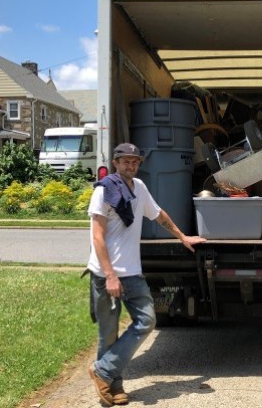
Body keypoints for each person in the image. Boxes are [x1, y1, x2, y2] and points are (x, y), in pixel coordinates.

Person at [86, 142, 206, 406]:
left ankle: (102, 370)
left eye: (135, 161)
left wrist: (182, 236)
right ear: (115, 163)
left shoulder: (139, 188)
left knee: (147, 320)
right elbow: (97, 236)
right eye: (125, 161)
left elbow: (158, 214)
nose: (131, 165)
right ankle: (113, 387)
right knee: (108, 334)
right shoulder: (104, 191)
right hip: (105, 275)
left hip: (132, 273)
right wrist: (109, 276)